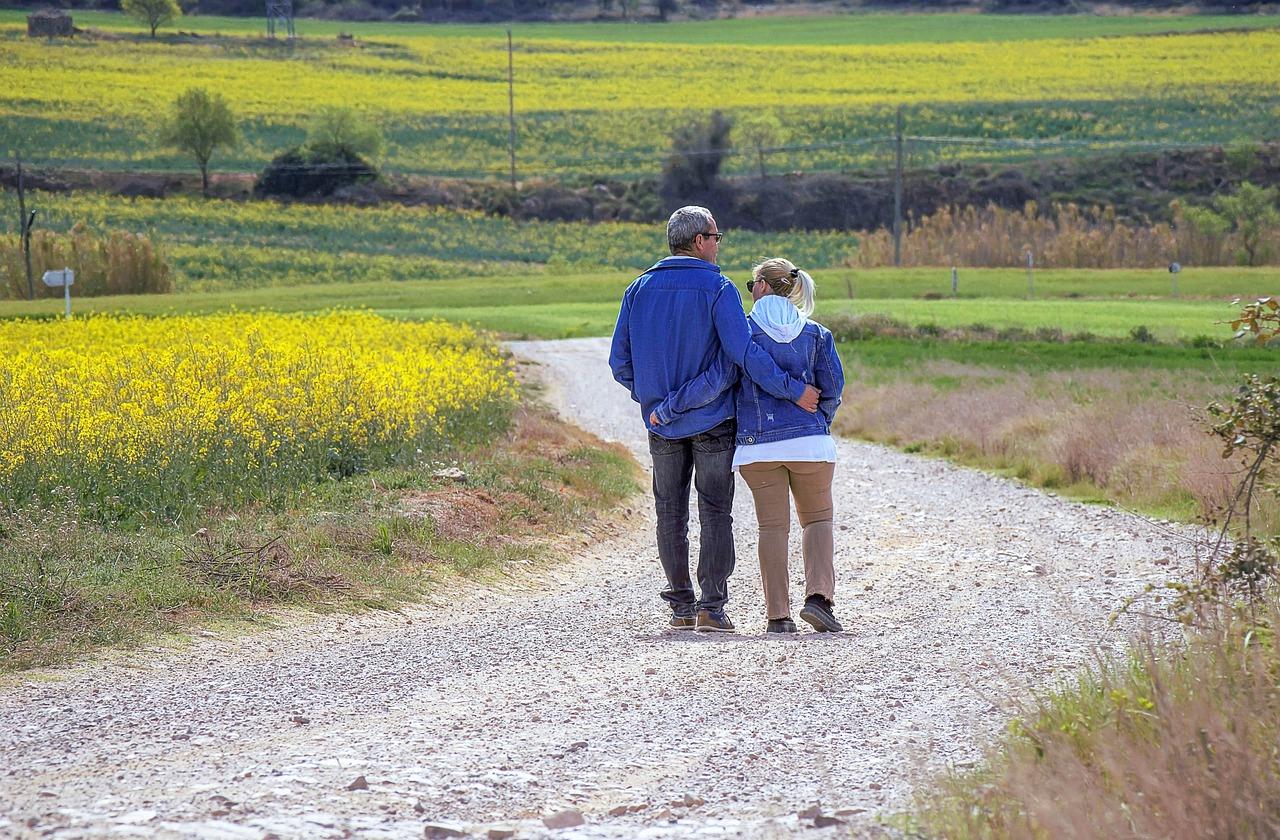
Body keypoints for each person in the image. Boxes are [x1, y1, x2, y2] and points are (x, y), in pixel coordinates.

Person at [609, 207, 820, 633]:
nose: (719, 244)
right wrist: (793, 389)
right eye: (716, 236)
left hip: (660, 425)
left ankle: (681, 606)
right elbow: (742, 356)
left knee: (669, 512)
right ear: (700, 241)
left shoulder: (638, 289)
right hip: (713, 422)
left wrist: (654, 401)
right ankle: (712, 607)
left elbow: (619, 363)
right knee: (715, 511)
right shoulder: (720, 290)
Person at [651, 258, 845, 633]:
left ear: (762, 286)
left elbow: (716, 381)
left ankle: (778, 617)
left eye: (751, 284)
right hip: (811, 446)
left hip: (759, 450)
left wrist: (670, 408)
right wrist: (819, 423)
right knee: (818, 520)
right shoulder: (817, 334)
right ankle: (819, 600)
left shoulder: (744, 336)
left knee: (773, 528)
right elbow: (833, 388)